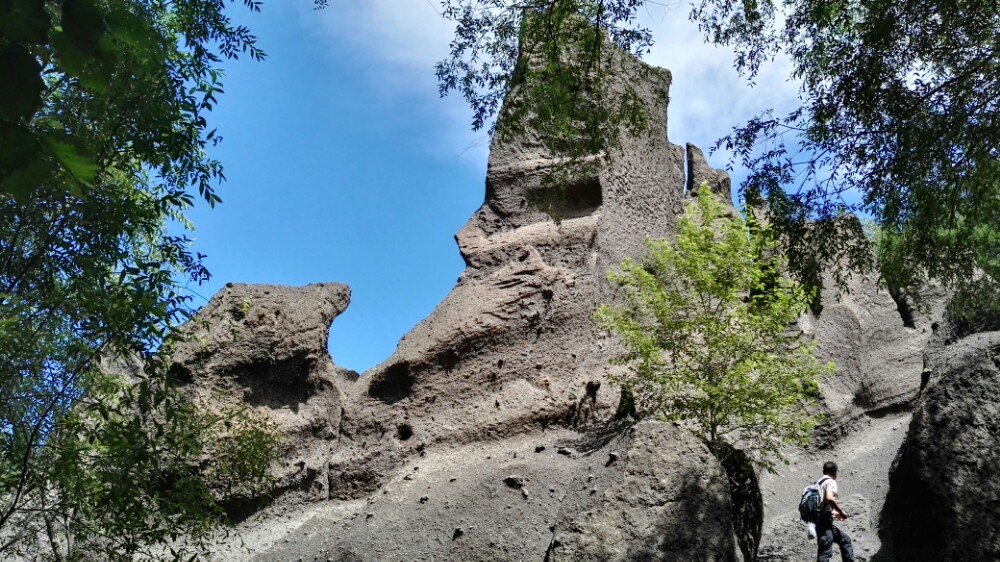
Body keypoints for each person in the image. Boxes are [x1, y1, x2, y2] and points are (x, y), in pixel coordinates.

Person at [816, 461, 855, 562]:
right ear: (834, 472)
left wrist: (833, 513)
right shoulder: (830, 481)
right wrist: (841, 511)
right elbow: (829, 498)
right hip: (824, 522)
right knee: (825, 552)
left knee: (845, 540)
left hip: (820, 520)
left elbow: (820, 504)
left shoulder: (819, 482)